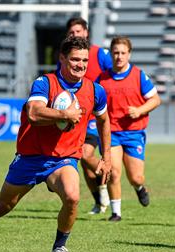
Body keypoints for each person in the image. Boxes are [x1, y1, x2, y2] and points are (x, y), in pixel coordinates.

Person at [0, 36, 111, 252]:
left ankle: (60, 247)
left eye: (85, 60)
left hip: (63, 159)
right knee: (3, 206)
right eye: (75, 59)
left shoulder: (95, 90)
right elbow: (35, 114)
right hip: (30, 157)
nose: (81, 65)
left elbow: (104, 120)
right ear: (62, 59)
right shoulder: (44, 83)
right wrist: (65, 115)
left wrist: (106, 157)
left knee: (72, 196)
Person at [98, 35, 161, 222]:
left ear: (129, 54)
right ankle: (116, 212)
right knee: (113, 172)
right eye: (116, 53)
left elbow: (155, 99)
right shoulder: (102, 79)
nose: (119, 56)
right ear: (111, 55)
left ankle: (139, 188)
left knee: (136, 177)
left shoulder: (138, 75)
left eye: (123, 53)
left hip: (134, 133)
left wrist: (140, 110)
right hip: (112, 133)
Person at [66, 17, 113, 215]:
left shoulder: (99, 54)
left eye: (78, 31)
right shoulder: (67, 55)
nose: (75, 35)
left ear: (86, 32)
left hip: (93, 115)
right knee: (83, 162)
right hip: (74, 115)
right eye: (72, 32)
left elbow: (117, 71)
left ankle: (107, 173)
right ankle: (99, 200)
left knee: (86, 154)